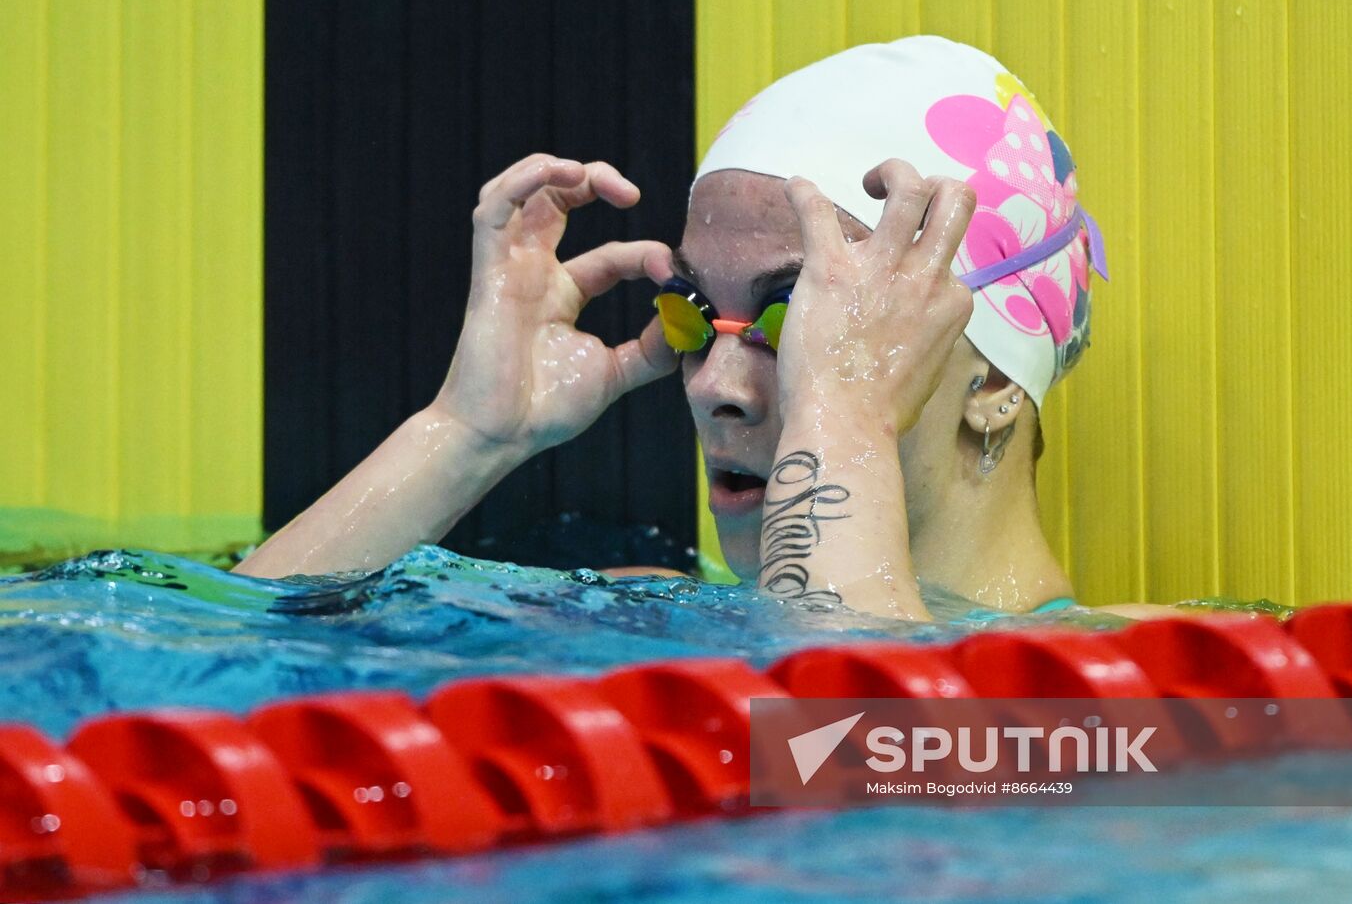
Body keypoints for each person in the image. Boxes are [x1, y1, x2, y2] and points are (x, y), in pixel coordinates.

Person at [237, 37, 1136, 622]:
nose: (713, 384)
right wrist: (466, 434)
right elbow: (206, 690)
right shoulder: (640, 620)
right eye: (696, 317)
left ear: (993, 380)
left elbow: (862, 783)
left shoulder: (1139, 689)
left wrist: (845, 418)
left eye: (801, 320)